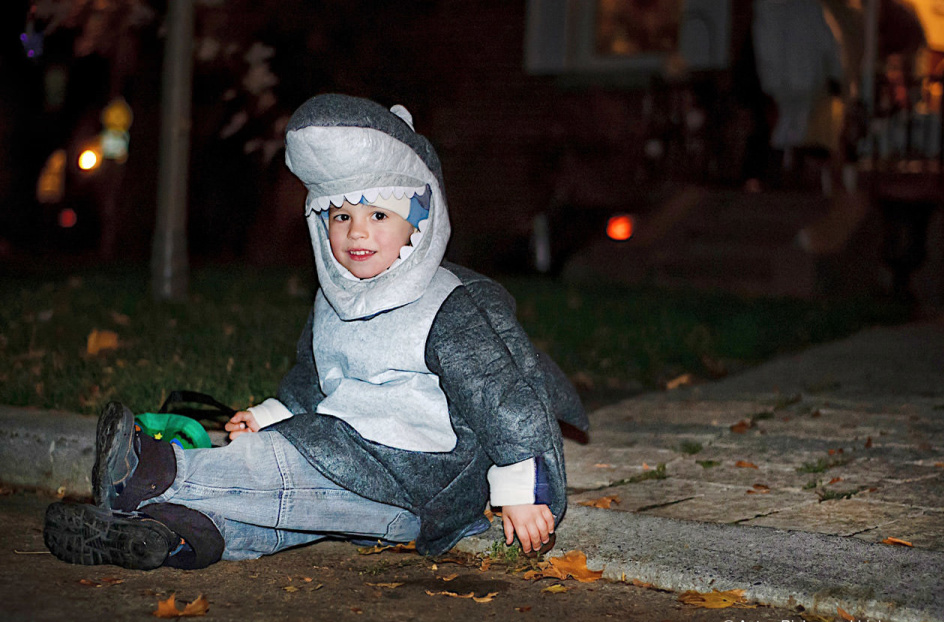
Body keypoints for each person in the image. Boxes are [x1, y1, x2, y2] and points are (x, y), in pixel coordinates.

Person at [43, 94, 588, 570]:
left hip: (423, 479)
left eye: (378, 215)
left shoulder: (452, 304)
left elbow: (507, 397)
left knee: (285, 465)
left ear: (420, 220)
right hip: (353, 458)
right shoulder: (335, 299)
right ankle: (178, 534)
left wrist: (522, 490)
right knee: (288, 500)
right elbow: (316, 377)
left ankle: (155, 473)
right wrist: (270, 415)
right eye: (339, 217)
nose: (357, 233)